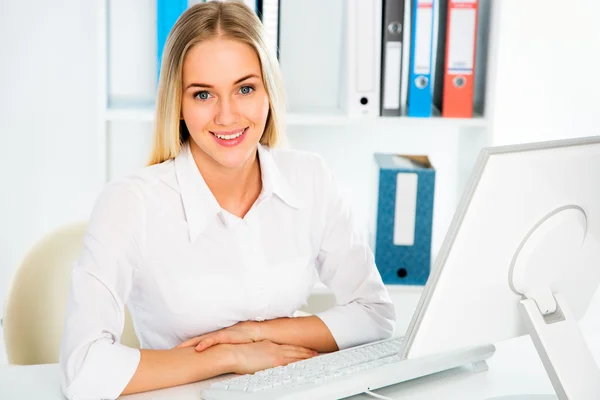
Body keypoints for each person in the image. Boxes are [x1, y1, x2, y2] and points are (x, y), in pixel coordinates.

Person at [59, 1, 395, 399]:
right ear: (178, 105)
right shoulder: (131, 203)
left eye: (245, 88)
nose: (227, 116)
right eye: (203, 95)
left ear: (269, 92)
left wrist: (257, 334)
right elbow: (83, 371)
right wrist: (230, 357)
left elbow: (376, 317)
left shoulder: (311, 178)